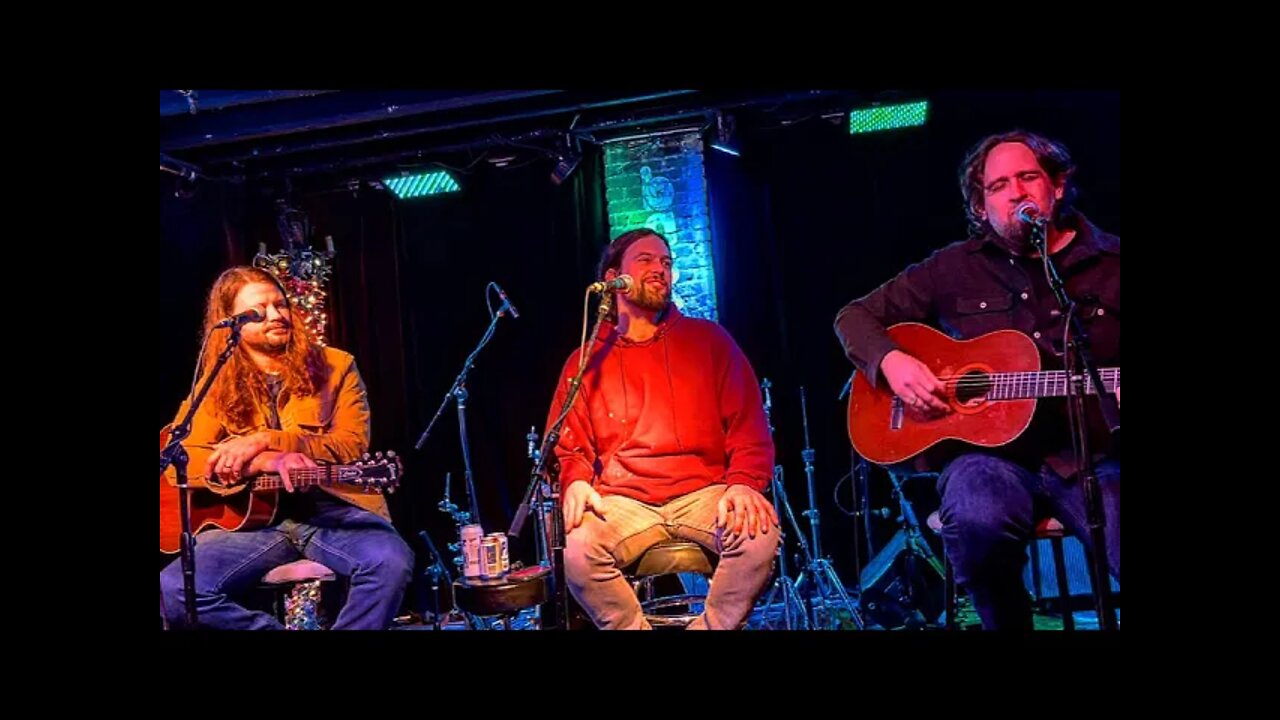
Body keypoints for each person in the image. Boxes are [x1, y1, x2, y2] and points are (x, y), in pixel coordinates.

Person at [834, 130, 1120, 629]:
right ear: (981, 205)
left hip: (1096, 458)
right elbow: (854, 318)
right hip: (991, 459)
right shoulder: (953, 268)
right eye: (998, 185)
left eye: (1029, 177)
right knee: (976, 517)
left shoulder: (1113, 263)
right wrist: (893, 363)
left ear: (1056, 187)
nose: (1016, 193)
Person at [547, 229, 779, 630]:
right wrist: (576, 481)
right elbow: (568, 444)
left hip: (704, 492)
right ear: (614, 277)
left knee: (760, 534)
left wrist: (743, 483)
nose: (660, 269)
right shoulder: (586, 360)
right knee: (578, 548)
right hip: (622, 500)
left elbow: (750, 427)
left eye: (666, 262)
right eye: (646, 260)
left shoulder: (709, 341)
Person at [159, 266, 412, 630]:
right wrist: (262, 461)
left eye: (281, 305)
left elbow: (351, 445)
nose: (277, 315)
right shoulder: (217, 380)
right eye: (258, 311)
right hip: (253, 527)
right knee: (174, 588)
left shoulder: (336, 367)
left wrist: (265, 440)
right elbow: (180, 458)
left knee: (390, 561)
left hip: (333, 510)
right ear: (231, 323)